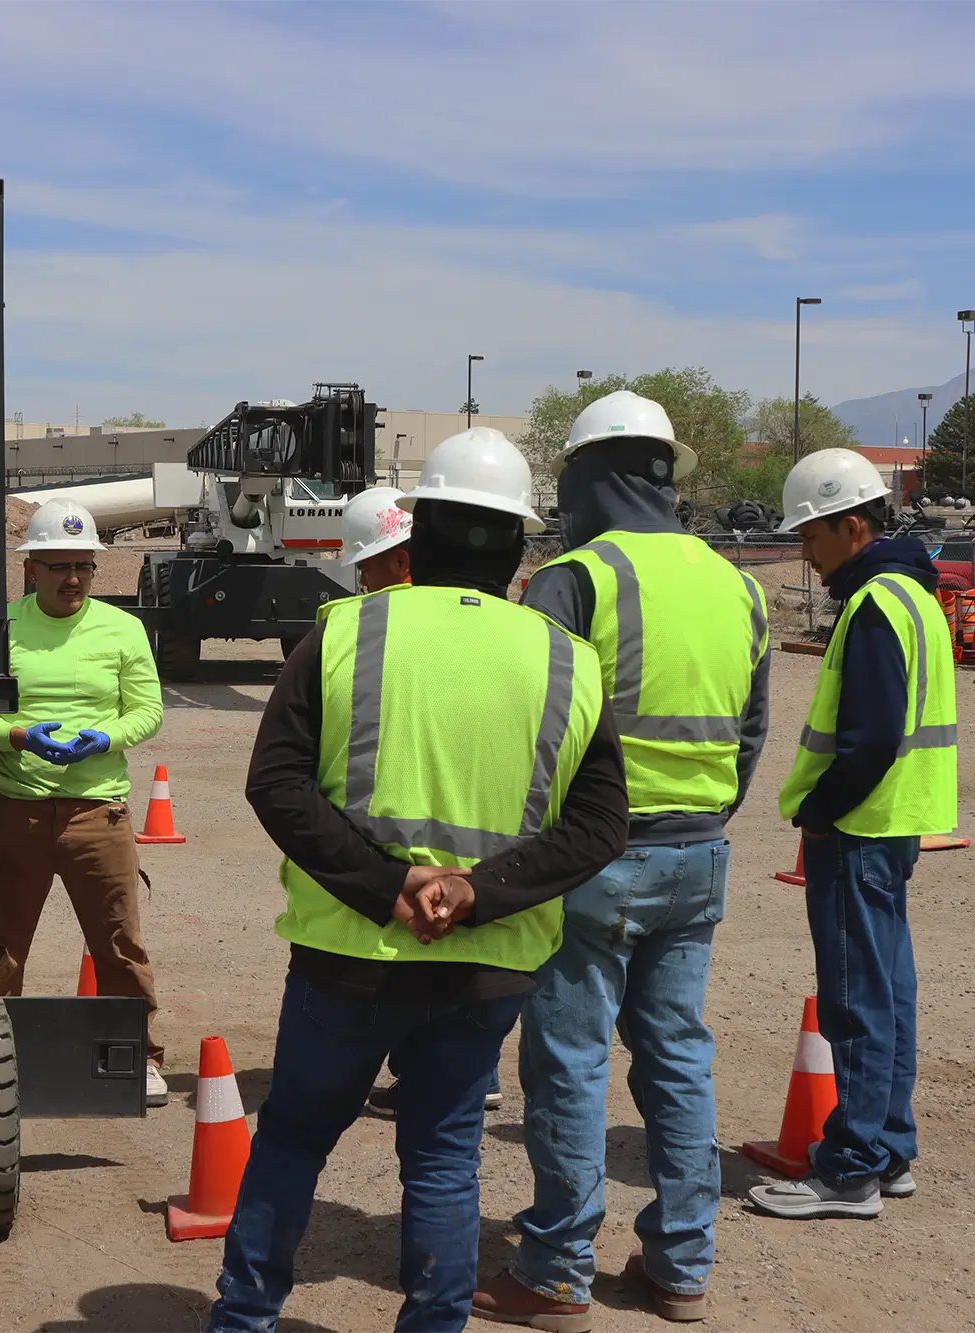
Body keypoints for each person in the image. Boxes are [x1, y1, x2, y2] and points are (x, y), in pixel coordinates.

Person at [208, 429, 630, 1333]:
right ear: (520, 545)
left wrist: (385, 884)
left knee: (291, 1140)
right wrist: (478, 890)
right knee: (442, 1157)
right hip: (486, 967)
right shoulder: (567, 660)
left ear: (419, 528)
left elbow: (275, 781)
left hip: (346, 956)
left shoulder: (344, 631)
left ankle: (243, 1321)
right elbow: (600, 824)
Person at [474, 391, 769, 1329]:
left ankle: (559, 1268)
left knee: (568, 1059)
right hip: (699, 852)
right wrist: (709, 813)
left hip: (595, 861)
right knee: (678, 1055)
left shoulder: (577, 578)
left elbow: (529, 727)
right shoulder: (739, 583)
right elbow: (752, 730)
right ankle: (681, 1265)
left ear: (593, 475)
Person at [746, 448, 956, 1221]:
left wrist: (820, 809)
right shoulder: (914, 595)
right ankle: (889, 1147)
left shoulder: (875, 606)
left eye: (811, 533)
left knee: (858, 1000)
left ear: (853, 525)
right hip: (893, 823)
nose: (805, 549)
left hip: (859, 827)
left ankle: (852, 1169)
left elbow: (867, 738)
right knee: (889, 992)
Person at [0, 498, 170, 1107]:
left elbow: (147, 710)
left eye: (84, 565)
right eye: (58, 566)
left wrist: (109, 737)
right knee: (2, 944)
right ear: (31, 569)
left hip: (97, 815)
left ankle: (141, 1056)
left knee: (119, 943)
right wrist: (17, 735)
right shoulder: (1, 628)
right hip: (16, 811)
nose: (73, 577)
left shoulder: (121, 629)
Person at [340, 485, 505, 1120]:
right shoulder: (484, 623)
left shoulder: (376, 636)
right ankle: (466, 1072)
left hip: (405, 849)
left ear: (402, 562)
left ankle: (419, 1073)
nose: (361, 581)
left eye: (367, 566)